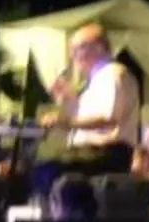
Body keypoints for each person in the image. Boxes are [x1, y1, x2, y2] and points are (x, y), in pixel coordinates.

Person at [34, 22, 139, 196]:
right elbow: (90, 114)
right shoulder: (98, 78)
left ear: (98, 48)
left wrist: (64, 122)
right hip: (94, 152)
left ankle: (60, 217)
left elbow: (107, 120)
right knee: (38, 162)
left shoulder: (112, 74)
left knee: (46, 168)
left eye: (77, 48)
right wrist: (71, 99)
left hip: (107, 153)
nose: (72, 55)